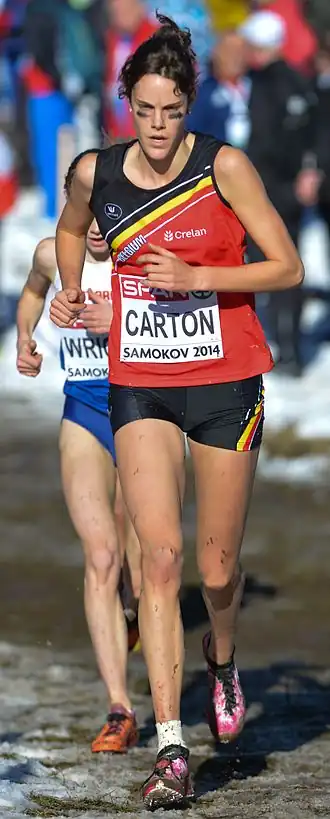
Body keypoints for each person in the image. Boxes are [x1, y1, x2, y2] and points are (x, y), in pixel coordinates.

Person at [50, 14, 303, 809]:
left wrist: (199, 276)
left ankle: (221, 659)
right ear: (127, 101)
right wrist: (70, 287)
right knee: (156, 559)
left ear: (190, 104)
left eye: (172, 112)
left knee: (216, 567)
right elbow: (67, 228)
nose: (158, 129)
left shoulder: (224, 167)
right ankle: (170, 744)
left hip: (226, 381)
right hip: (143, 382)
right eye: (146, 111)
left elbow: (287, 266)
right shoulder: (100, 172)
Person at [16, 149, 141, 755]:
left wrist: (115, 321)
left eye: (100, 207)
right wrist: (25, 339)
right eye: (80, 208)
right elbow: (32, 294)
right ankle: (119, 707)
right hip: (83, 408)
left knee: (141, 569)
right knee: (100, 554)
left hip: (144, 411)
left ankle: (138, 612)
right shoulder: (49, 252)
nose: (93, 223)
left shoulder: (135, 254)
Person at [240, 9, 317, 375]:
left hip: (267, 190)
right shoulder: (294, 82)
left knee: (268, 268)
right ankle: (289, 350)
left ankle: (277, 349)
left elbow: (268, 142)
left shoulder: (271, 84)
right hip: (282, 189)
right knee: (286, 266)